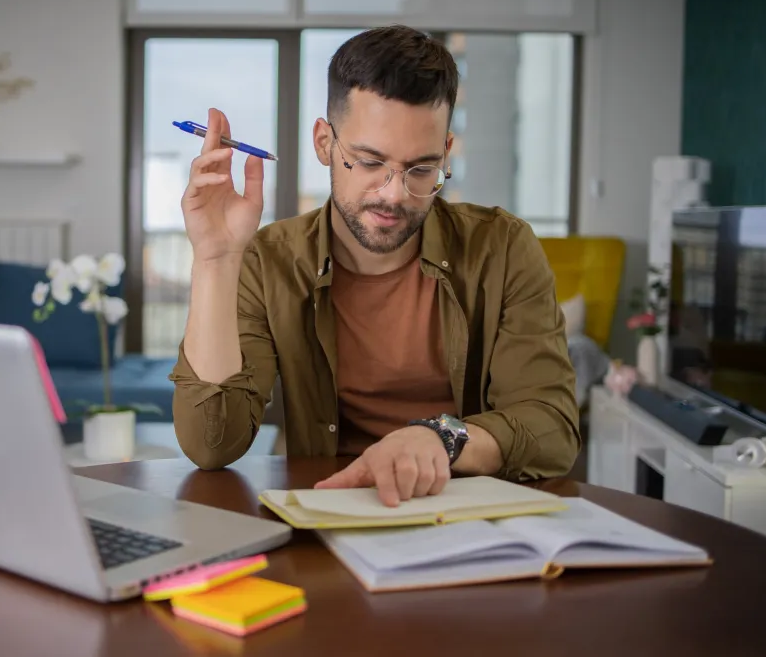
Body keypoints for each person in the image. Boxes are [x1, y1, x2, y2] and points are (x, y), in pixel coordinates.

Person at [170, 25, 580, 506]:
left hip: (465, 517)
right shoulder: (269, 260)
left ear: (447, 154)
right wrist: (215, 259)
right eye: (368, 161)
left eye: (421, 169)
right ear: (325, 142)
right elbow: (210, 444)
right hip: (326, 511)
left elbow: (551, 426)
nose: (393, 193)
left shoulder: (503, 247)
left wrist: (441, 438)